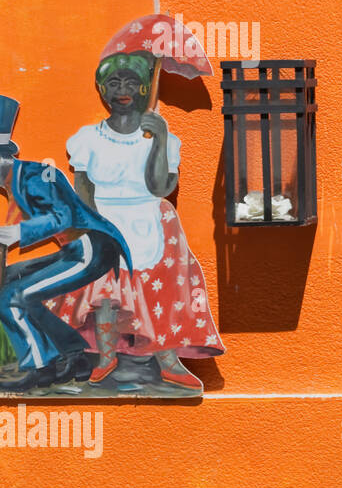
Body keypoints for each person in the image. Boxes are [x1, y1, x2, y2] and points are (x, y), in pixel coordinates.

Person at [46, 50, 223, 392]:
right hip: (106, 218)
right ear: (101, 89)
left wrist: (158, 140)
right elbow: (83, 189)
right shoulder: (88, 139)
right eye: (113, 81)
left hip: (151, 220)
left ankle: (168, 361)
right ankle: (107, 356)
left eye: (132, 81)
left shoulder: (163, 138)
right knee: (106, 293)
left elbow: (161, 187)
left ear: (144, 89)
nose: (122, 88)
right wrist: (93, 229)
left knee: (163, 291)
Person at [0, 95, 131, 392]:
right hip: (75, 250)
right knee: (10, 282)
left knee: (11, 297)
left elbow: (63, 215)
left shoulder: (38, 174)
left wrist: (16, 234)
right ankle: (73, 355)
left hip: (92, 248)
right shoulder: (15, 184)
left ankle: (39, 367)